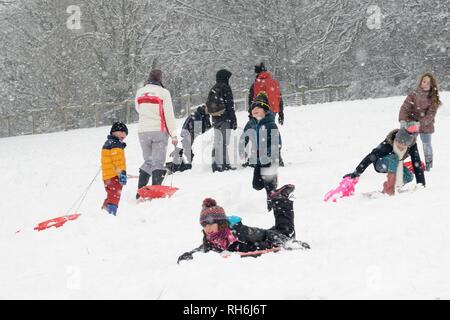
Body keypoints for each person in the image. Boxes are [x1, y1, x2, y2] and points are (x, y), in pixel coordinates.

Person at [177, 184, 310, 264]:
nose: (208, 229)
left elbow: (264, 234)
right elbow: (204, 249)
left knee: (287, 234)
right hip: (262, 240)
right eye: (204, 225)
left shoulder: (238, 232)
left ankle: (280, 200)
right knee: (282, 231)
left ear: (221, 223)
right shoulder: (212, 239)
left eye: (211, 224)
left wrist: (288, 243)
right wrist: (190, 254)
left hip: (269, 238)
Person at [344, 125, 426, 196]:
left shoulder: (412, 146)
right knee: (394, 157)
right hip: (380, 163)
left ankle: (391, 187)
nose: (400, 147)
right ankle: (391, 186)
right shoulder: (387, 145)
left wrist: (421, 184)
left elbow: (416, 163)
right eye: (398, 144)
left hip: (395, 164)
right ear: (395, 140)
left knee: (409, 176)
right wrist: (356, 173)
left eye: (403, 146)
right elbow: (370, 158)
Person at [135, 69, 178, 199]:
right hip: (158, 130)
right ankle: (155, 192)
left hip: (143, 131)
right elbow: (169, 115)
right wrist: (174, 135)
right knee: (158, 162)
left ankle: (140, 192)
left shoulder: (140, 92)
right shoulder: (164, 93)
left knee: (148, 161)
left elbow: (138, 109)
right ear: (160, 78)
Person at [240, 92, 282, 211]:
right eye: (253, 108)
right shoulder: (251, 123)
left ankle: (272, 203)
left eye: (258, 108)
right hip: (258, 158)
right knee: (257, 185)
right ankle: (274, 188)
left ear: (265, 110)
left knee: (269, 186)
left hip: (270, 158)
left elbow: (277, 141)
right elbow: (245, 136)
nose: (255, 110)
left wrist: (271, 153)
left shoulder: (270, 124)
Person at [399, 73, 443, 171]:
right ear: (421, 82)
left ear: (432, 85)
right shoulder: (414, 94)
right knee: (408, 143)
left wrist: (420, 123)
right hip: (412, 123)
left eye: (428, 82)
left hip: (426, 125)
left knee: (426, 143)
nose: (425, 84)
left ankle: (428, 163)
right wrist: (402, 120)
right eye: (424, 81)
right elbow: (405, 107)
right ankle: (406, 162)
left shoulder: (433, 98)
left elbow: (430, 114)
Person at [248, 62, 285, 166]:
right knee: (272, 132)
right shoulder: (274, 82)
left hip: (261, 111)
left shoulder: (256, 83)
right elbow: (279, 97)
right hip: (273, 110)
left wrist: (251, 113)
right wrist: (281, 112)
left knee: (260, 134)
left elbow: (252, 99)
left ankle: (260, 159)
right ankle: (277, 158)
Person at [206, 69, 238, 173]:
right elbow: (230, 105)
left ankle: (215, 163)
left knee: (217, 142)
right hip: (225, 118)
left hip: (215, 118)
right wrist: (233, 119)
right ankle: (224, 165)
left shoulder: (213, 88)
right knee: (224, 142)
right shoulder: (225, 88)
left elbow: (209, 105)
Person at [165, 104, 212, 173]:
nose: (210, 111)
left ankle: (176, 166)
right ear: (205, 108)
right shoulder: (197, 115)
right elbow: (196, 130)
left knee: (187, 155)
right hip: (188, 134)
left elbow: (207, 128)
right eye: (208, 108)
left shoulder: (206, 115)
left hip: (191, 135)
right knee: (188, 154)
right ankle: (172, 167)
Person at [101, 122, 128, 216]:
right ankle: (111, 213)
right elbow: (117, 160)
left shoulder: (109, 143)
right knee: (115, 195)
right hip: (114, 175)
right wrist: (122, 173)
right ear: (113, 132)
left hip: (107, 176)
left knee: (111, 194)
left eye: (125, 133)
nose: (124, 134)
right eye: (121, 132)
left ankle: (104, 210)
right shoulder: (116, 144)